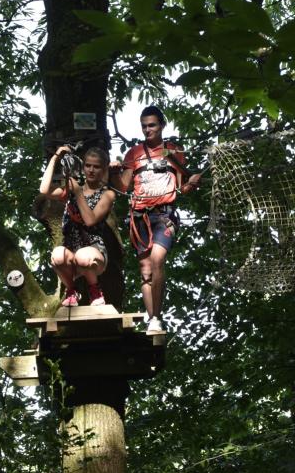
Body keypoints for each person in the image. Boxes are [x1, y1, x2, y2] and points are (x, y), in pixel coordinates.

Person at [109, 106, 201, 333]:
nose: (147, 130)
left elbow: (183, 187)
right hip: (140, 216)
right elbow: (122, 186)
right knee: (145, 270)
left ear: (161, 125)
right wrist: (112, 171)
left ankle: (157, 316)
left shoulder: (173, 151)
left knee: (158, 259)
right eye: (144, 126)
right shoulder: (134, 153)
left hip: (164, 214)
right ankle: (152, 319)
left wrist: (193, 183)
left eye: (152, 125)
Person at [39, 146, 117, 306]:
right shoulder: (73, 189)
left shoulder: (107, 194)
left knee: (83, 256)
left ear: (103, 170)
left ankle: (95, 289)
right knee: (57, 256)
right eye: (88, 165)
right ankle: (71, 290)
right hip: (71, 249)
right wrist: (56, 158)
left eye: (96, 167)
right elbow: (44, 190)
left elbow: (90, 220)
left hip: (93, 251)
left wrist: (78, 193)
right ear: (83, 167)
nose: (91, 170)